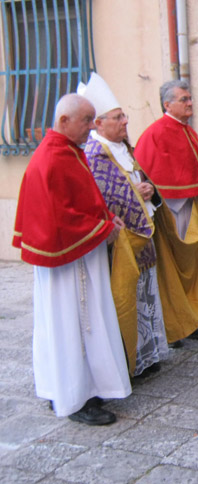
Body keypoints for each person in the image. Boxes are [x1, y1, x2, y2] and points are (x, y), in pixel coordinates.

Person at [12, 94, 131, 425]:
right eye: (86, 120)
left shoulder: (68, 152)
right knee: (73, 324)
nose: (91, 127)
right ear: (64, 121)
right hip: (68, 260)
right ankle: (76, 397)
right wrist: (101, 228)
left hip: (78, 251)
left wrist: (106, 218)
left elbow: (85, 198)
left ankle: (69, 387)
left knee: (72, 323)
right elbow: (59, 216)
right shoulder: (53, 158)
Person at [80, 72, 169, 378]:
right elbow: (101, 197)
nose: (125, 121)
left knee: (145, 296)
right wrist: (136, 191)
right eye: (118, 117)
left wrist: (148, 190)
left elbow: (140, 181)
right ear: (99, 123)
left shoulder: (124, 148)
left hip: (142, 236)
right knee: (126, 298)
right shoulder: (94, 155)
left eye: (124, 116)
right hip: (120, 244)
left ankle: (148, 353)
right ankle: (129, 359)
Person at [134, 80, 198, 345]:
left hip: (190, 207)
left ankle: (192, 318)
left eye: (190, 98)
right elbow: (146, 174)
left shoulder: (188, 131)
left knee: (194, 264)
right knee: (171, 269)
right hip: (170, 211)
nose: (190, 103)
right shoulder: (155, 133)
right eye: (184, 99)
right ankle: (174, 325)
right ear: (167, 104)